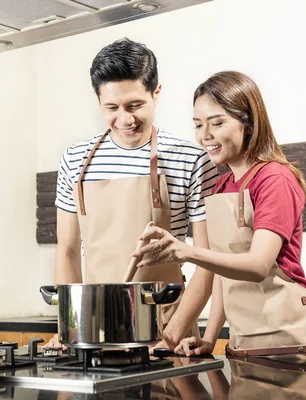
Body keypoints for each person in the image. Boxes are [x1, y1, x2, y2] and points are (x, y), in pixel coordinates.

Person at [133, 71, 306, 361]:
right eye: (198, 125)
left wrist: (185, 251)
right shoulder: (222, 186)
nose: (205, 135)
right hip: (245, 347)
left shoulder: (275, 178)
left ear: (248, 122)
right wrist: (209, 339)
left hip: (294, 345)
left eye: (217, 123)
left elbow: (257, 265)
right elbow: (222, 276)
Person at [45, 38, 218, 348]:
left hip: (167, 329)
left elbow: (209, 261)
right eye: (111, 107)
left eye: (135, 105)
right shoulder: (74, 160)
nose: (125, 119)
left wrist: (172, 334)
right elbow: (68, 251)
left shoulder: (191, 159)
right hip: (94, 330)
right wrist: (68, 328)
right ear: (98, 100)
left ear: (157, 93)